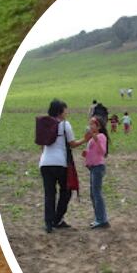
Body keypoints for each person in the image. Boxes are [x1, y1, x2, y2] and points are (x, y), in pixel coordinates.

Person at [36, 98, 88, 232]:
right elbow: (72, 144)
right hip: (60, 164)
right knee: (66, 191)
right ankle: (57, 219)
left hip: (45, 163)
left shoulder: (44, 125)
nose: (66, 113)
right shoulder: (65, 125)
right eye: (65, 110)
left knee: (49, 194)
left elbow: (42, 145)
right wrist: (85, 139)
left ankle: (48, 224)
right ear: (60, 112)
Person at [83, 114, 111, 229]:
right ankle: (98, 218)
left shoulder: (101, 137)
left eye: (92, 124)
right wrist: (86, 154)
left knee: (97, 193)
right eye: (90, 123)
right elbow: (92, 151)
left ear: (98, 126)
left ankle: (102, 220)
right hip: (92, 167)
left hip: (98, 167)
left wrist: (95, 139)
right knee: (93, 194)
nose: (90, 126)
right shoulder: (92, 138)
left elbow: (103, 151)